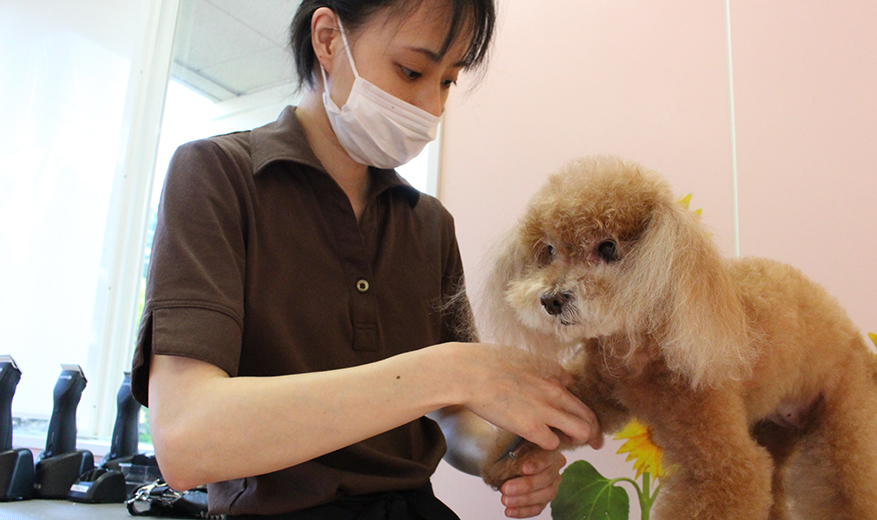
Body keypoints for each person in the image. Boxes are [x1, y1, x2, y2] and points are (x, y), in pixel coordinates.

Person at [131, 0, 602, 518]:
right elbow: (186, 438)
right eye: (412, 71)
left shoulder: (429, 224)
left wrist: (506, 454)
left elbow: (452, 414)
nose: (431, 108)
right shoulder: (217, 177)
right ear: (329, 39)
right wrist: (451, 371)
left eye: (447, 82)